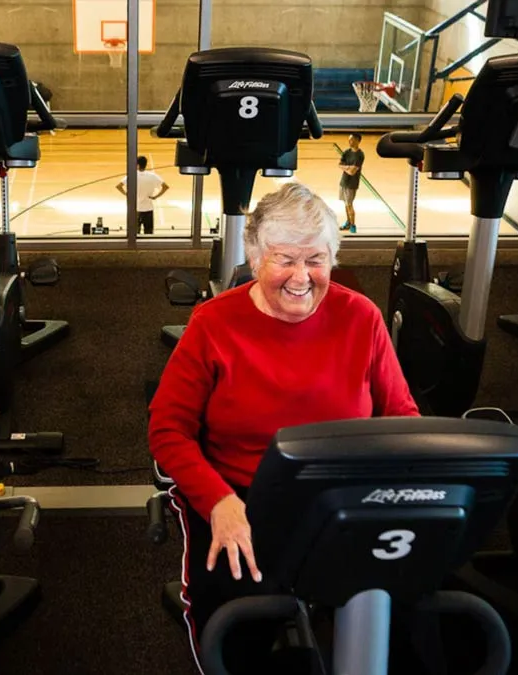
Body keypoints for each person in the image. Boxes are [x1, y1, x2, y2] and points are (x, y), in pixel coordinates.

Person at [147, 181, 419, 674]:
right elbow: (168, 430)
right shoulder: (213, 323)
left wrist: (390, 493)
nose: (302, 276)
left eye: (315, 259)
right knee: (231, 627)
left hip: (342, 496)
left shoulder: (361, 317)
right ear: (255, 259)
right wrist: (219, 503)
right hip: (241, 494)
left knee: (408, 619)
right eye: (284, 259)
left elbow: (402, 418)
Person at [116, 155, 169, 235]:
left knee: (133, 234)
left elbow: (119, 186)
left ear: (137, 165)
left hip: (135, 209)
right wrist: (155, 196)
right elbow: (165, 187)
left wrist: (127, 194)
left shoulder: (132, 175)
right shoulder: (152, 176)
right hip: (148, 209)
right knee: (148, 233)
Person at [338, 133, 364, 232]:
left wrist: (346, 168)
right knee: (345, 204)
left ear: (357, 140)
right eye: (349, 140)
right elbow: (339, 165)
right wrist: (348, 168)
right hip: (343, 181)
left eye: (352, 140)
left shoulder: (360, 155)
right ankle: (348, 222)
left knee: (349, 204)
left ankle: (353, 225)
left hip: (351, 184)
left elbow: (353, 172)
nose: (350, 142)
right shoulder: (346, 152)